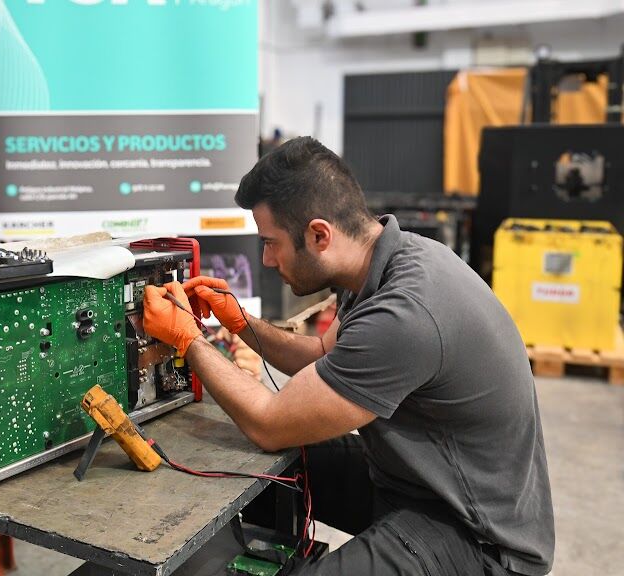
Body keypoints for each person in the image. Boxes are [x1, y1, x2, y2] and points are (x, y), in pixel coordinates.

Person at [142, 136, 554, 575]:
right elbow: (322, 355)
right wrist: (242, 322)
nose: (266, 259)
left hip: (476, 537)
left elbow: (269, 424)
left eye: (271, 242)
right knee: (271, 474)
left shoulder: (405, 312)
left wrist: (189, 339)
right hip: (420, 482)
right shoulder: (384, 261)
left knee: (272, 441)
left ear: (319, 235)